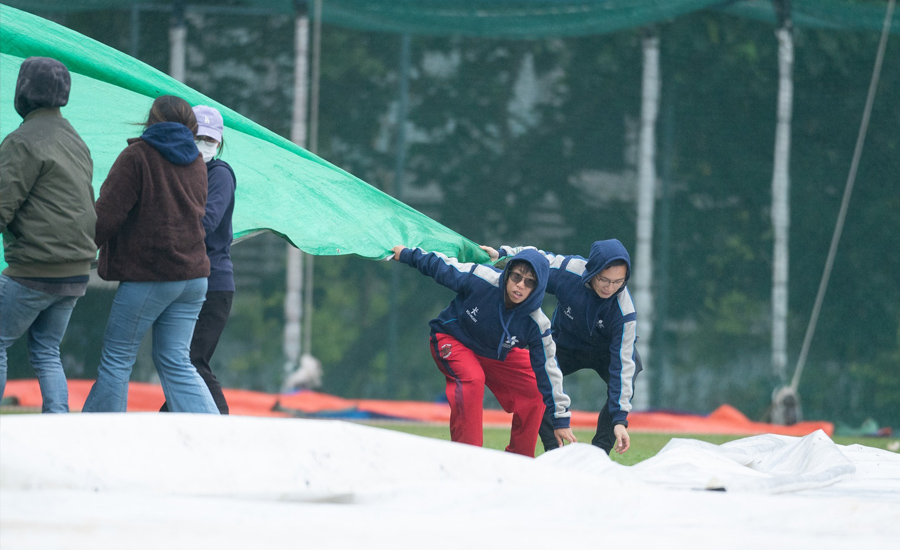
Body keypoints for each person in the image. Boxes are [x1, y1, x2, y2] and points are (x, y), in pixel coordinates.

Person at [82, 95, 218, 414]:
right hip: (194, 276)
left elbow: (108, 214)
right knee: (175, 360)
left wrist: (78, 248)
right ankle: (216, 435)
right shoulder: (197, 160)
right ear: (190, 125)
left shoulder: (137, 156)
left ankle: (99, 437)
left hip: (153, 274)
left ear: (151, 120)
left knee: (118, 358)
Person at [391, 245, 576, 456]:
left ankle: (519, 460)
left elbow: (549, 368)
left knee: (534, 386)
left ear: (539, 287)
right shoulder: (482, 278)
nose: (520, 285)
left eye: (530, 282)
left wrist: (560, 418)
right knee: (472, 379)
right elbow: (442, 267)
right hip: (452, 338)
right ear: (508, 274)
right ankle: (468, 458)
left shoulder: (537, 322)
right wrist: (407, 254)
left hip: (494, 353)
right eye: (516, 276)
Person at [482, 239, 641, 455]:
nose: (609, 287)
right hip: (565, 344)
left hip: (607, 353)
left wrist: (620, 419)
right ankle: (554, 450)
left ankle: (598, 454)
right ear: (591, 270)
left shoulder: (625, 311)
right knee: (532, 380)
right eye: (604, 279)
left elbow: (623, 367)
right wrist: (502, 253)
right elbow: (535, 259)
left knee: (630, 372)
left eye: (618, 282)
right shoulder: (568, 271)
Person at [0, 57, 96, 413]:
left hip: (35, 269)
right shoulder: (75, 139)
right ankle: (58, 423)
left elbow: (1, 203)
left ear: (22, 91)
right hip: (76, 270)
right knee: (46, 350)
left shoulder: (22, 141)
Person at [159, 105, 235, 415]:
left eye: (210, 139)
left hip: (213, 283)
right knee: (177, 360)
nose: (204, 144)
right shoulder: (180, 172)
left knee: (191, 361)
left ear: (218, 143)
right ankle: (166, 424)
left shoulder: (220, 174)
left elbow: (208, 221)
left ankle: (222, 423)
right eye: (198, 136)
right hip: (186, 280)